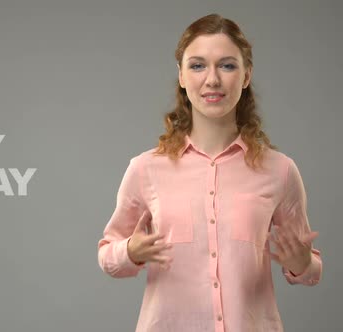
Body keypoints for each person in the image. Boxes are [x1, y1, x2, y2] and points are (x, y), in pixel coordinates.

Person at [97, 13, 322, 332]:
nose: (212, 79)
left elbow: (311, 268)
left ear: (246, 76)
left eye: (227, 65)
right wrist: (130, 252)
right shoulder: (146, 169)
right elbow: (108, 255)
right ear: (181, 76)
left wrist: (302, 265)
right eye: (198, 65)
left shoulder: (280, 171)